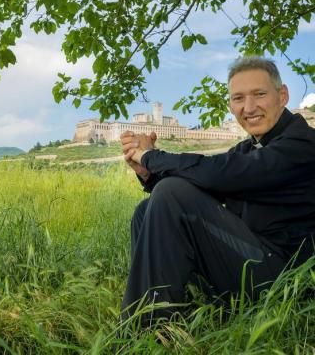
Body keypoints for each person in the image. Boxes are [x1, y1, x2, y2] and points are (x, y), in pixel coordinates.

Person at [120, 56, 315, 325]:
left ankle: (142, 330)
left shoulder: (302, 143)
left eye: (259, 94)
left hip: (285, 279)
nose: (249, 107)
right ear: (230, 105)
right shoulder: (249, 148)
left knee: (172, 192)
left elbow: (219, 173)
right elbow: (203, 188)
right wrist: (148, 174)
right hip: (251, 260)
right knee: (147, 209)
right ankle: (162, 313)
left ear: (282, 96)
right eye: (238, 98)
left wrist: (152, 157)